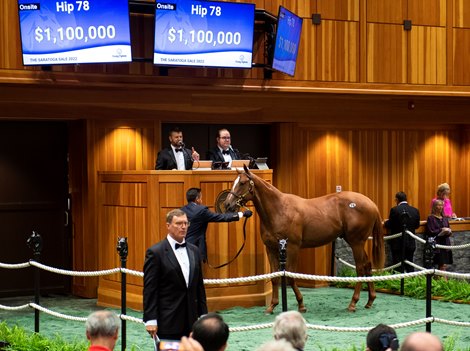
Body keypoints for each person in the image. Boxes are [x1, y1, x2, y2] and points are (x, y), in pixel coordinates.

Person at [143, 209, 207, 341]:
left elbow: (199, 286)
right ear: (168, 226)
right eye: (178, 223)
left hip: (192, 322)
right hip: (168, 321)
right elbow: (150, 289)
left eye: (186, 223)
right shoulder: (155, 252)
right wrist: (150, 319)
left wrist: (203, 315)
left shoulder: (194, 250)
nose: (183, 227)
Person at [181, 187, 253, 262]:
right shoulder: (201, 211)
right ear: (197, 199)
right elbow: (221, 217)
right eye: (201, 198)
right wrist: (242, 214)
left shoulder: (181, 211)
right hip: (195, 251)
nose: (201, 201)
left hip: (181, 250)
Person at [384, 191, 420, 272]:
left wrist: (385, 222)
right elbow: (417, 226)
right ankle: (411, 282)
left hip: (397, 242)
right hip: (410, 242)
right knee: (410, 264)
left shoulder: (394, 210)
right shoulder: (415, 210)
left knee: (398, 265)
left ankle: (399, 283)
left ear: (396, 200)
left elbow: (390, 224)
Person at [425, 199, 453, 271]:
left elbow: (448, 228)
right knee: (438, 264)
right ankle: (439, 280)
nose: (440, 207)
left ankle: (444, 280)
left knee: (444, 265)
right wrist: (441, 230)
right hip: (437, 243)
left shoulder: (444, 218)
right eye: (438, 205)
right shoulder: (431, 218)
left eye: (442, 205)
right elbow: (430, 231)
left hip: (445, 243)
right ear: (434, 207)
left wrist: (448, 232)